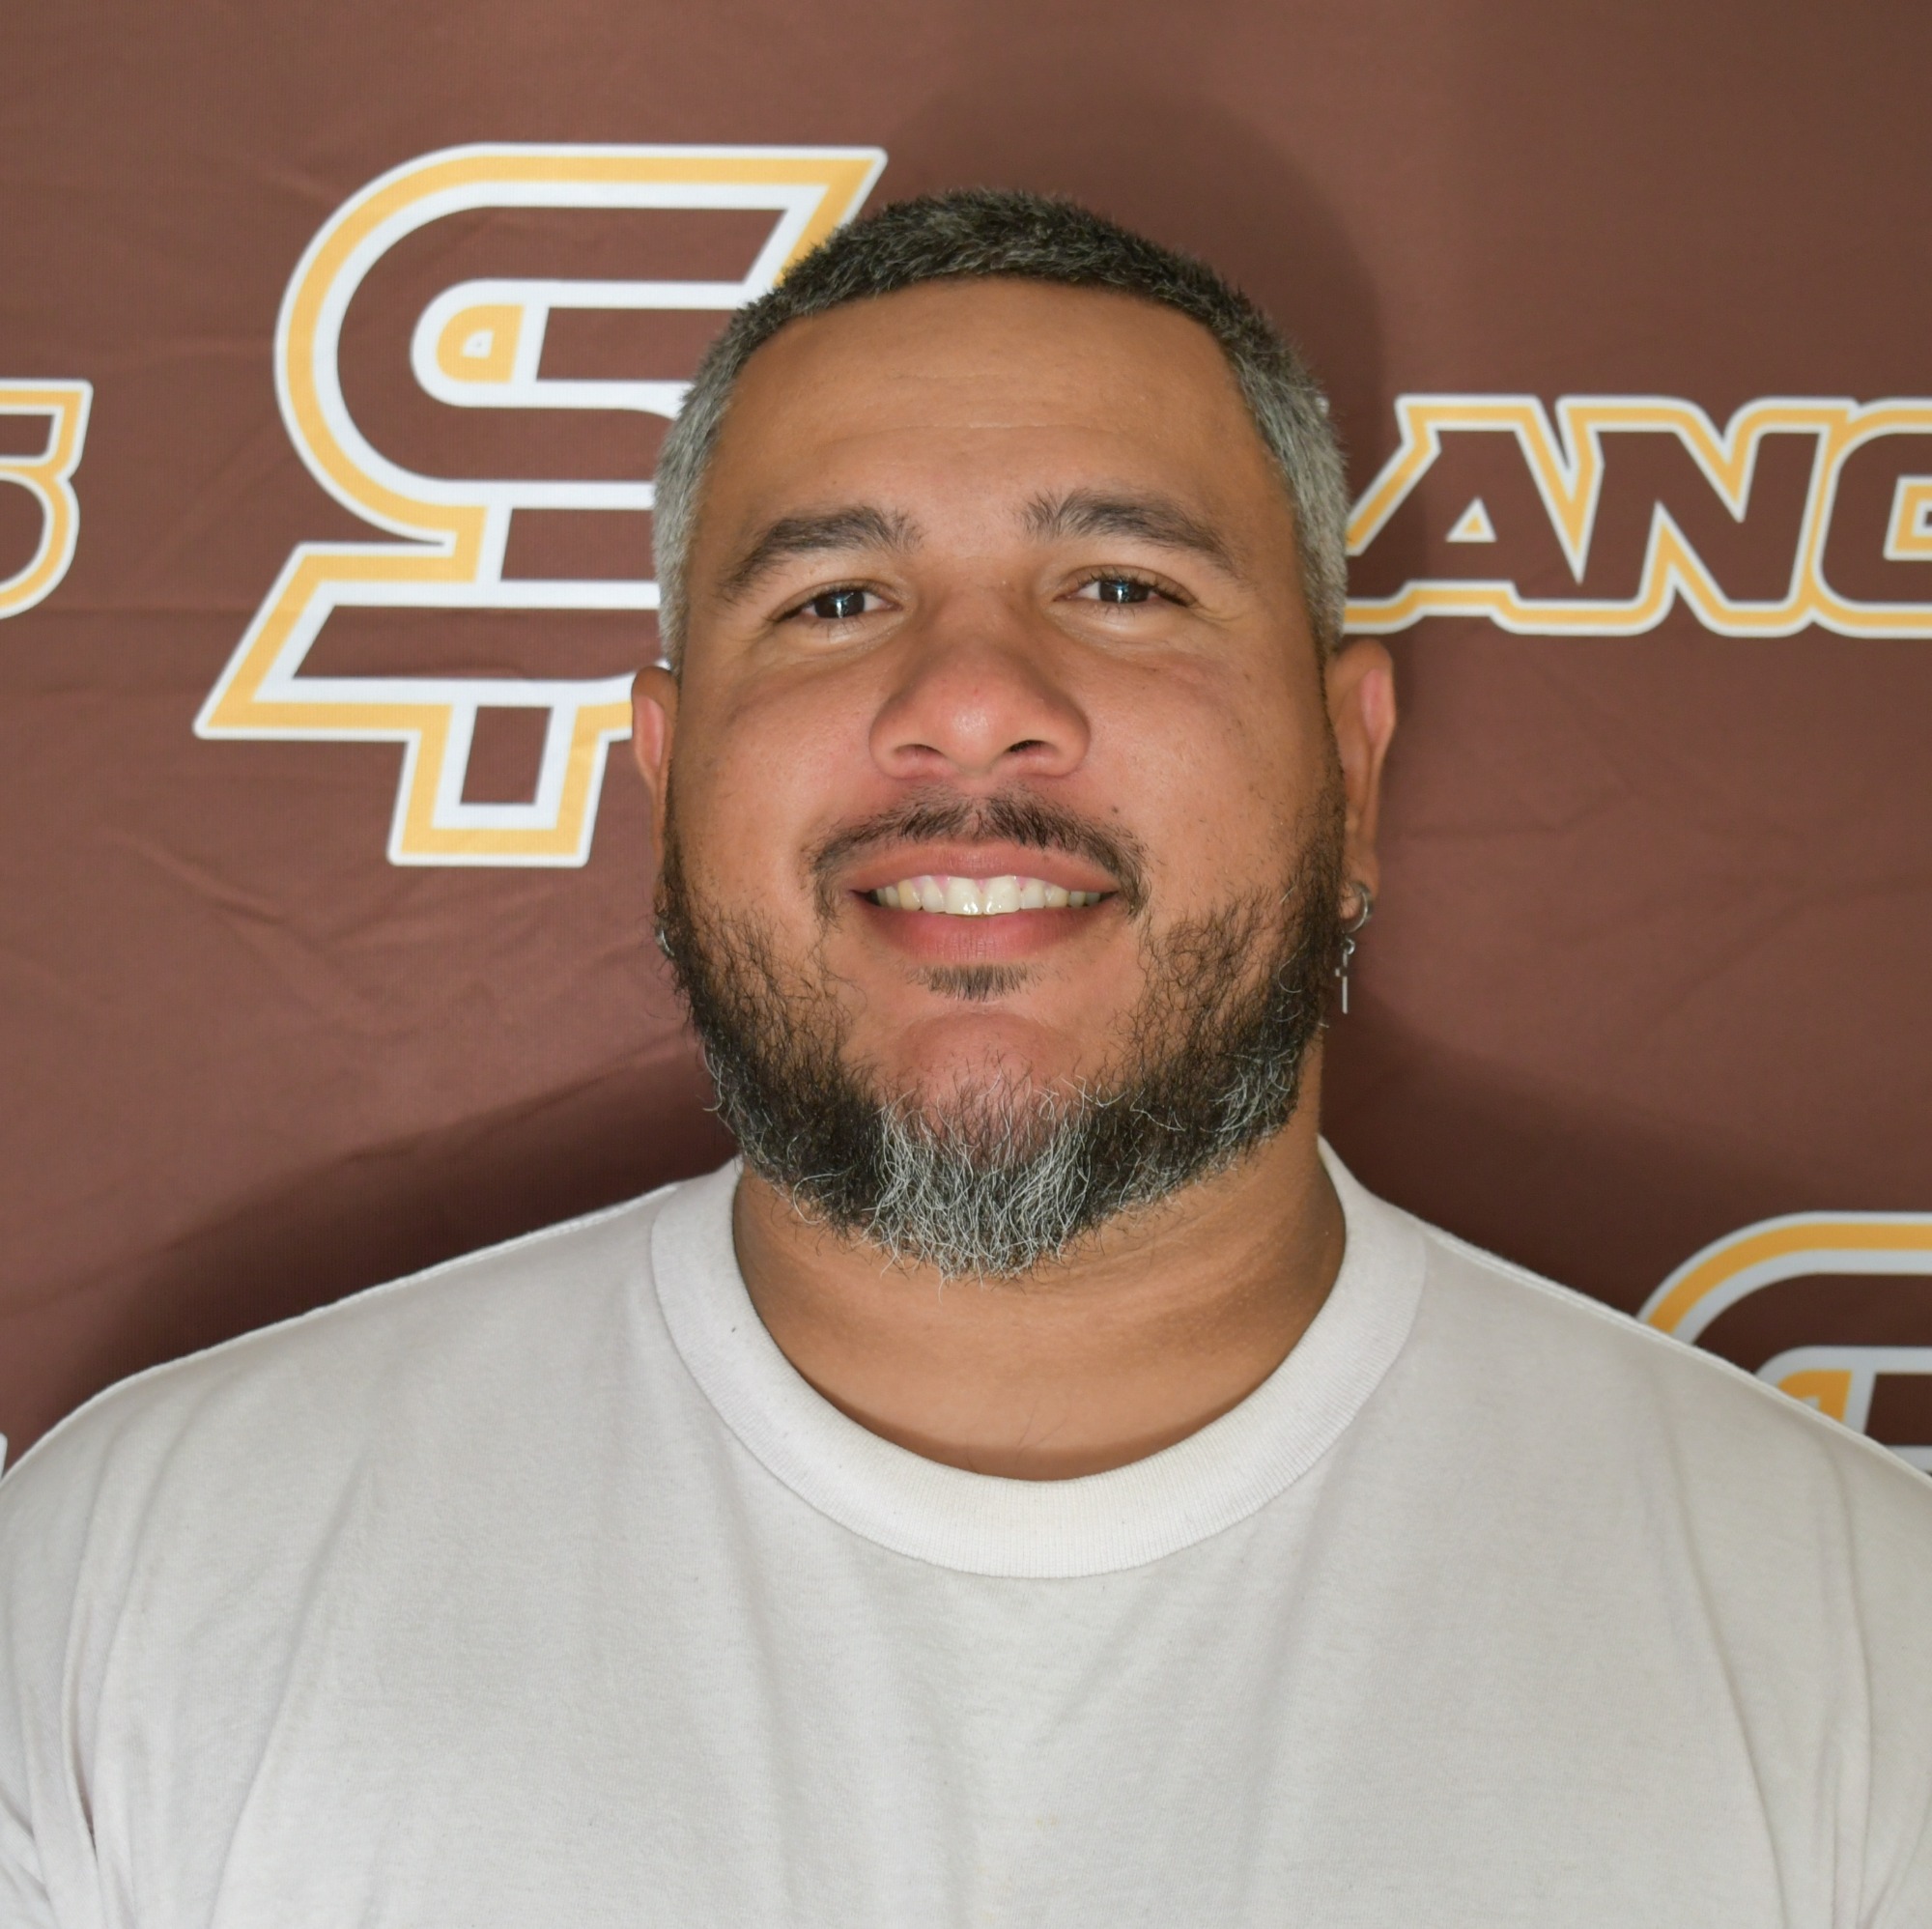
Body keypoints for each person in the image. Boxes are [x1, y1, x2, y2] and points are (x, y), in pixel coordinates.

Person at [2, 189, 1928, 1928]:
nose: (974, 702)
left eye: (1123, 587)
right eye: (834, 601)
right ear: (666, 782)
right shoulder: (141, 1590)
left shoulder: (1855, 1648)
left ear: (1350, 768)